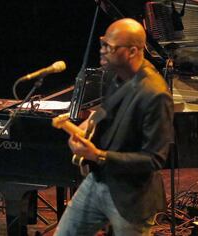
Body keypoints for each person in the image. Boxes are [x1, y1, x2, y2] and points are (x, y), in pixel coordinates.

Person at [54, 18, 174, 235]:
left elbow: (154, 159)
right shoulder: (116, 74)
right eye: (102, 43)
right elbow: (107, 109)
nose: (102, 51)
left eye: (109, 47)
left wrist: (98, 155)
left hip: (131, 196)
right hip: (98, 181)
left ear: (132, 51)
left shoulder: (155, 95)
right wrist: (87, 126)